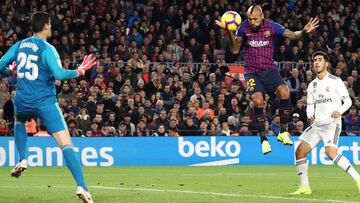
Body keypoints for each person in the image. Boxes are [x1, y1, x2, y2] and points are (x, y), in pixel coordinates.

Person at [0, 12, 96, 203]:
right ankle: (82, 187)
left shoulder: (19, 45)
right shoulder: (48, 49)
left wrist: (9, 71)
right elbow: (59, 74)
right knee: (66, 144)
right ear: (44, 26)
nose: (51, 28)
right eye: (50, 25)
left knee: (19, 119)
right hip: (44, 102)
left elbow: (0, 65)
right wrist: (80, 70)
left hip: (23, 100)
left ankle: (23, 158)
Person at [216, 4, 319, 154]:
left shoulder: (272, 27)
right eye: (250, 19)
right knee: (258, 101)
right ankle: (263, 140)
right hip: (252, 72)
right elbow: (235, 50)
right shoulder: (243, 28)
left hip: (269, 70)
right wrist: (231, 32)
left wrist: (303, 31)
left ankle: (283, 132)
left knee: (285, 92)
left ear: (262, 17)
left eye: (255, 19)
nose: (252, 22)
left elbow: (292, 35)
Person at [291, 51, 360, 195]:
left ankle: (358, 178)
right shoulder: (312, 85)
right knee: (300, 151)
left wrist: (339, 111)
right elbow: (310, 105)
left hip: (332, 124)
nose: (316, 62)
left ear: (326, 64)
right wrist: (310, 116)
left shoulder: (335, 81)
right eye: (314, 60)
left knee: (330, 152)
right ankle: (304, 187)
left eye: (319, 60)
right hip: (317, 125)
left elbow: (348, 101)